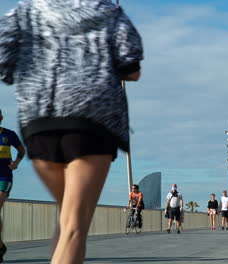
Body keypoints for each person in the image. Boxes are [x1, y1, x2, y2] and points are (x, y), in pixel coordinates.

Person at [0, 1, 143, 262]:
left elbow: (4, 57)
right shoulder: (109, 12)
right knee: (75, 228)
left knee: (67, 219)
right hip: (92, 125)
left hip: (38, 124)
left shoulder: (25, 11)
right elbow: (131, 70)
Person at [0, 109, 25, 261]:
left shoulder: (9, 135)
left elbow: (22, 151)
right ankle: (0, 245)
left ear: (1, 117)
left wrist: (16, 163)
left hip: (4, 176)